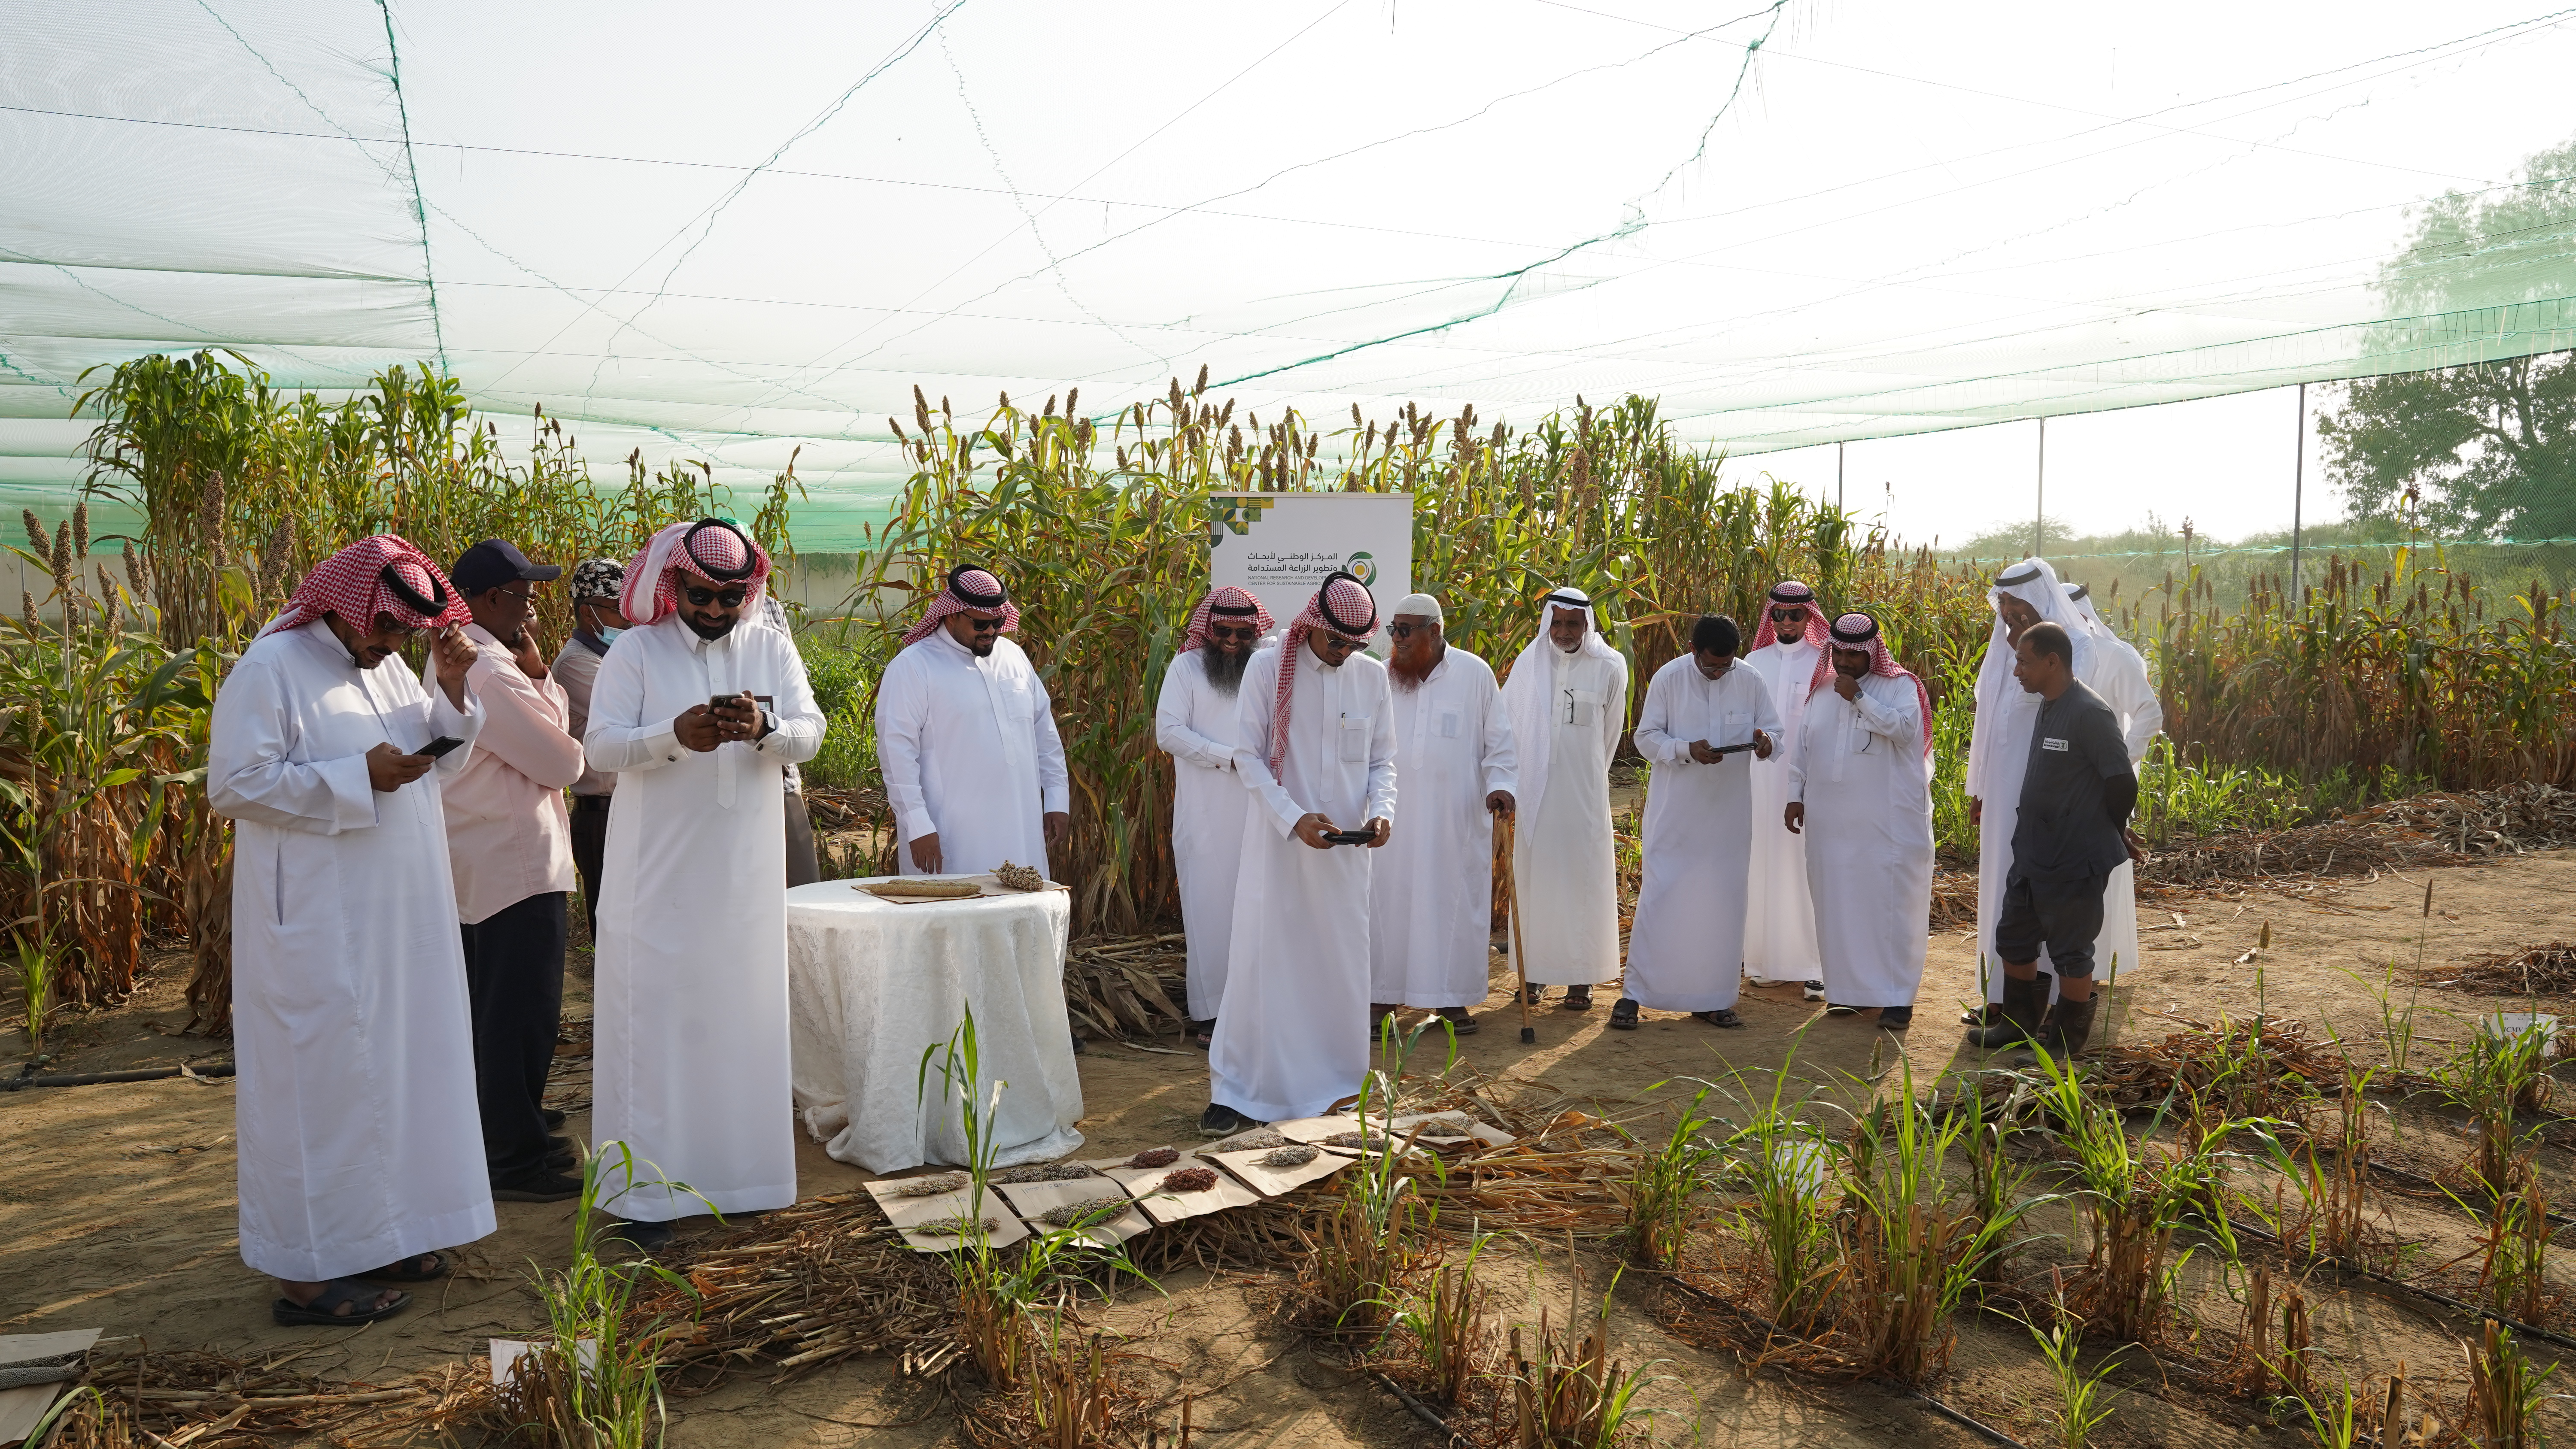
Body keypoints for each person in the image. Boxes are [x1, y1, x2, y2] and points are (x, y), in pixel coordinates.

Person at [207, 535, 490, 1326]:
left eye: (406, 634)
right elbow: (234, 785)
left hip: (400, 923)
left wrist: (453, 693)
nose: (396, 643)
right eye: (389, 629)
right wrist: (353, 776)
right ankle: (305, 1277)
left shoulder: (388, 664)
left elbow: (442, 764)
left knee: (400, 1075)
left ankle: (387, 1233)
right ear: (344, 604)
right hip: (319, 931)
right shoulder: (271, 668)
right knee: (320, 1092)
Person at [582, 519, 826, 1251]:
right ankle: (645, 1199)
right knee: (655, 1032)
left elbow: (813, 731)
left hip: (744, 881)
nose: (717, 611)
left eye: (729, 597)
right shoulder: (637, 653)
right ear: (673, 586)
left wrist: (766, 726)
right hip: (656, 881)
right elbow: (598, 747)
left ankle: (741, 1182)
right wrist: (671, 737)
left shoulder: (769, 645)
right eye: (701, 595)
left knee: (741, 1021)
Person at [1203, 572, 1396, 1137]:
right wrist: (1295, 819)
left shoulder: (1370, 678)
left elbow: (1384, 761)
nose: (1344, 653)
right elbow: (1249, 756)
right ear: (1314, 624)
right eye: (1336, 642)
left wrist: (1383, 813)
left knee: (1336, 967)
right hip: (1280, 847)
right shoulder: (1268, 667)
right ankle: (1238, 1090)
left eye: (1355, 645)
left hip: (1345, 856)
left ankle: (1337, 1084)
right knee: (1266, 966)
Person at [445, 538, 584, 1204]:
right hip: (515, 863)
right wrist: (539, 681)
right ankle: (514, 1160)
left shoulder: (486, 662)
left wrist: (538, 680)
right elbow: (564, 764)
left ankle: (513, 1130)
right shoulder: (490, 673)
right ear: (492, 598)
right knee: (516, 1017)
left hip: (495, 858)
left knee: (501, 1010)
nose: (533, 608)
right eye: (526, 594)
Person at [1968, 621, 2139, 1058]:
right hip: (2032, 851)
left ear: (2052, 661)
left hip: (2073, 856)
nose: (2016, 671)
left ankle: (2065, 1044)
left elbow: (2122, 781)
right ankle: (2019, 1026)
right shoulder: (2047, 703)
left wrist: (2111, 829)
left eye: (2024, 662)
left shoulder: (2089, 712)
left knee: (2072, 950)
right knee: (2014, 939)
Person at [1618, 614, 1779, 1031]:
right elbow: (1646, 738)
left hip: (1727, 817)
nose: (1719, 673)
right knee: (1662, 896)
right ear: (1693, 651)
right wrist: (1686, 749)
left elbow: (1775, 730)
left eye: (1725, 665)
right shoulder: (1669, 678)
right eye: (1711, 666)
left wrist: (1766, 743)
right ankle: (1635, 996)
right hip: (1678, 813)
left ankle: (1713, 998)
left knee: (1721, 904)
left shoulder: (1749, 679)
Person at [1367, 594, 1517, 1034]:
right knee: (1387, 900)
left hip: (1454, 815)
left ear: (1435, 631)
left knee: (1451, 902)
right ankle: (1382, 996)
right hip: (1391, 813)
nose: (1397, 639)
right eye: (1393, 629)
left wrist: (1502, 786)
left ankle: (1450, 999)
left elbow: (1500, 740)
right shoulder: (1384, 676)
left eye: (1406, 630)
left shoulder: (1475, 673)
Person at [1783, 612, 1935, 1026]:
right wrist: (1795, 796)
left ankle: (1897, 998)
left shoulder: (1902, 686)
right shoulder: (1823, 690)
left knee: (1889, 908)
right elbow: (1803, 749)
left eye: (1854, 654)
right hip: (1831, 826)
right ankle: (1850, 993)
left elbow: (1906, 731)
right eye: (1839, 652)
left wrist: (1860, 698)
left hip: (1886, 828)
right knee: (1838, 904)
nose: (1845, 661)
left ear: (1874, 652)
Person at [1960, 560, 2095, 1026]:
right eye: (2007, 610)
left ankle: (2057, 1007)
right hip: (2002, 798)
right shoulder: (2002, 652)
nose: (2014, 620)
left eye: (2023, 610)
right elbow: (1987, 726)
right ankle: (2001, 998)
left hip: (2050, 799)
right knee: (2002, 893)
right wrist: (1978, 788)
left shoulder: (2076, 648)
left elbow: (2082, 727)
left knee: (2050, 901)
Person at [875, 565, 1070, 878]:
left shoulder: (1014, 657)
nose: (992, 631)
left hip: (1022, 827)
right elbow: (896, 753)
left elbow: (1043, 733)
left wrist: (1057, 798)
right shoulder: (913, 667)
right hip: (950, 836)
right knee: (956, 921)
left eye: (998, 622)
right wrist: (917, 824)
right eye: (981, 624)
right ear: (951, 615)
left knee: (1020, 916)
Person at [1154, 585, 1274, 1050]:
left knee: (1260, 910)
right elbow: (1168, 732)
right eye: (1222, 630)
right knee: (1211, 911)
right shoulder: (1186, 668)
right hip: (1205, 814)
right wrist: (1229, 758)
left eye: (1244, 632)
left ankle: (1256, 1012)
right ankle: (1212, 1015)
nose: (1232, 640)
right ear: (1206, 628)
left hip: (1261, 808)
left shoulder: (1266, 666)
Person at [1498, 586, 1628, 1012]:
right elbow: (1509, 727)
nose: (1564, 631)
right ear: (1547, 623)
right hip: (1535, 794)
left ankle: (1581, 978)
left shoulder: (1610, 666)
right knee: (1537, 881)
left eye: (1574, 623)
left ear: (1587, 624)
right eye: (1557, 622)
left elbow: (1609, 737)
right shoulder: (1528, 664)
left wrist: (1583, 773)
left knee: (1582, 882)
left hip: (1584, 794)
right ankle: (1533, 974)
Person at [2063, 579, 2164, 998]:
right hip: (2067, 787)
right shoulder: (2055, 655)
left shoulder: (2115, 656)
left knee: (2102, 874)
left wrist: (2118, 762)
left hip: (2107, 786)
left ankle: (2097, 970)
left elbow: (2149, 713)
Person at [1741, 580, 1830, 1001]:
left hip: (1808, 782)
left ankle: (1816, 966)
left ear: (1809, 616)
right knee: (1766, 862)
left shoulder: (1823, 661)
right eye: (1780, 614)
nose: (1788, 621)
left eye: (1797, 615)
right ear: (1770, 616)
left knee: (1808, 867)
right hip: (1762, 781)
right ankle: (1767, 960)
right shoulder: (1754, 660)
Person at [550, 559, 629, 931]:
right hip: (602, 813)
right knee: (615, 927)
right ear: (588, 612)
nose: (628, 619)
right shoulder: (576, 665)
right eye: (617, 609)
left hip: (624, 808)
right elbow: (636, 714)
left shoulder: (613, 660)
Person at [755, 592, 823, 886]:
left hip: (780, 779)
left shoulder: (769, 607)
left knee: (801, 889)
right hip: (700, 789)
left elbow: (799, 683)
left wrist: (763, 724)